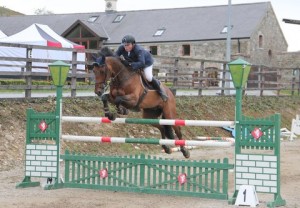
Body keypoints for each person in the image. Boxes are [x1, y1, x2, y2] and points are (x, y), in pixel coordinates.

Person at [115, 35, 168, 102]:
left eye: (128, 45)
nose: (126, 47)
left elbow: (141, 63)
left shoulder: (138, 50)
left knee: (148, 77)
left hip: (146, 63)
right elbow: (115, 56)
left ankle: (161, 92)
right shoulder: (122, 48)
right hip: (134, 62)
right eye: (124, 45)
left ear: (133, 44)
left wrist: (129, 64)